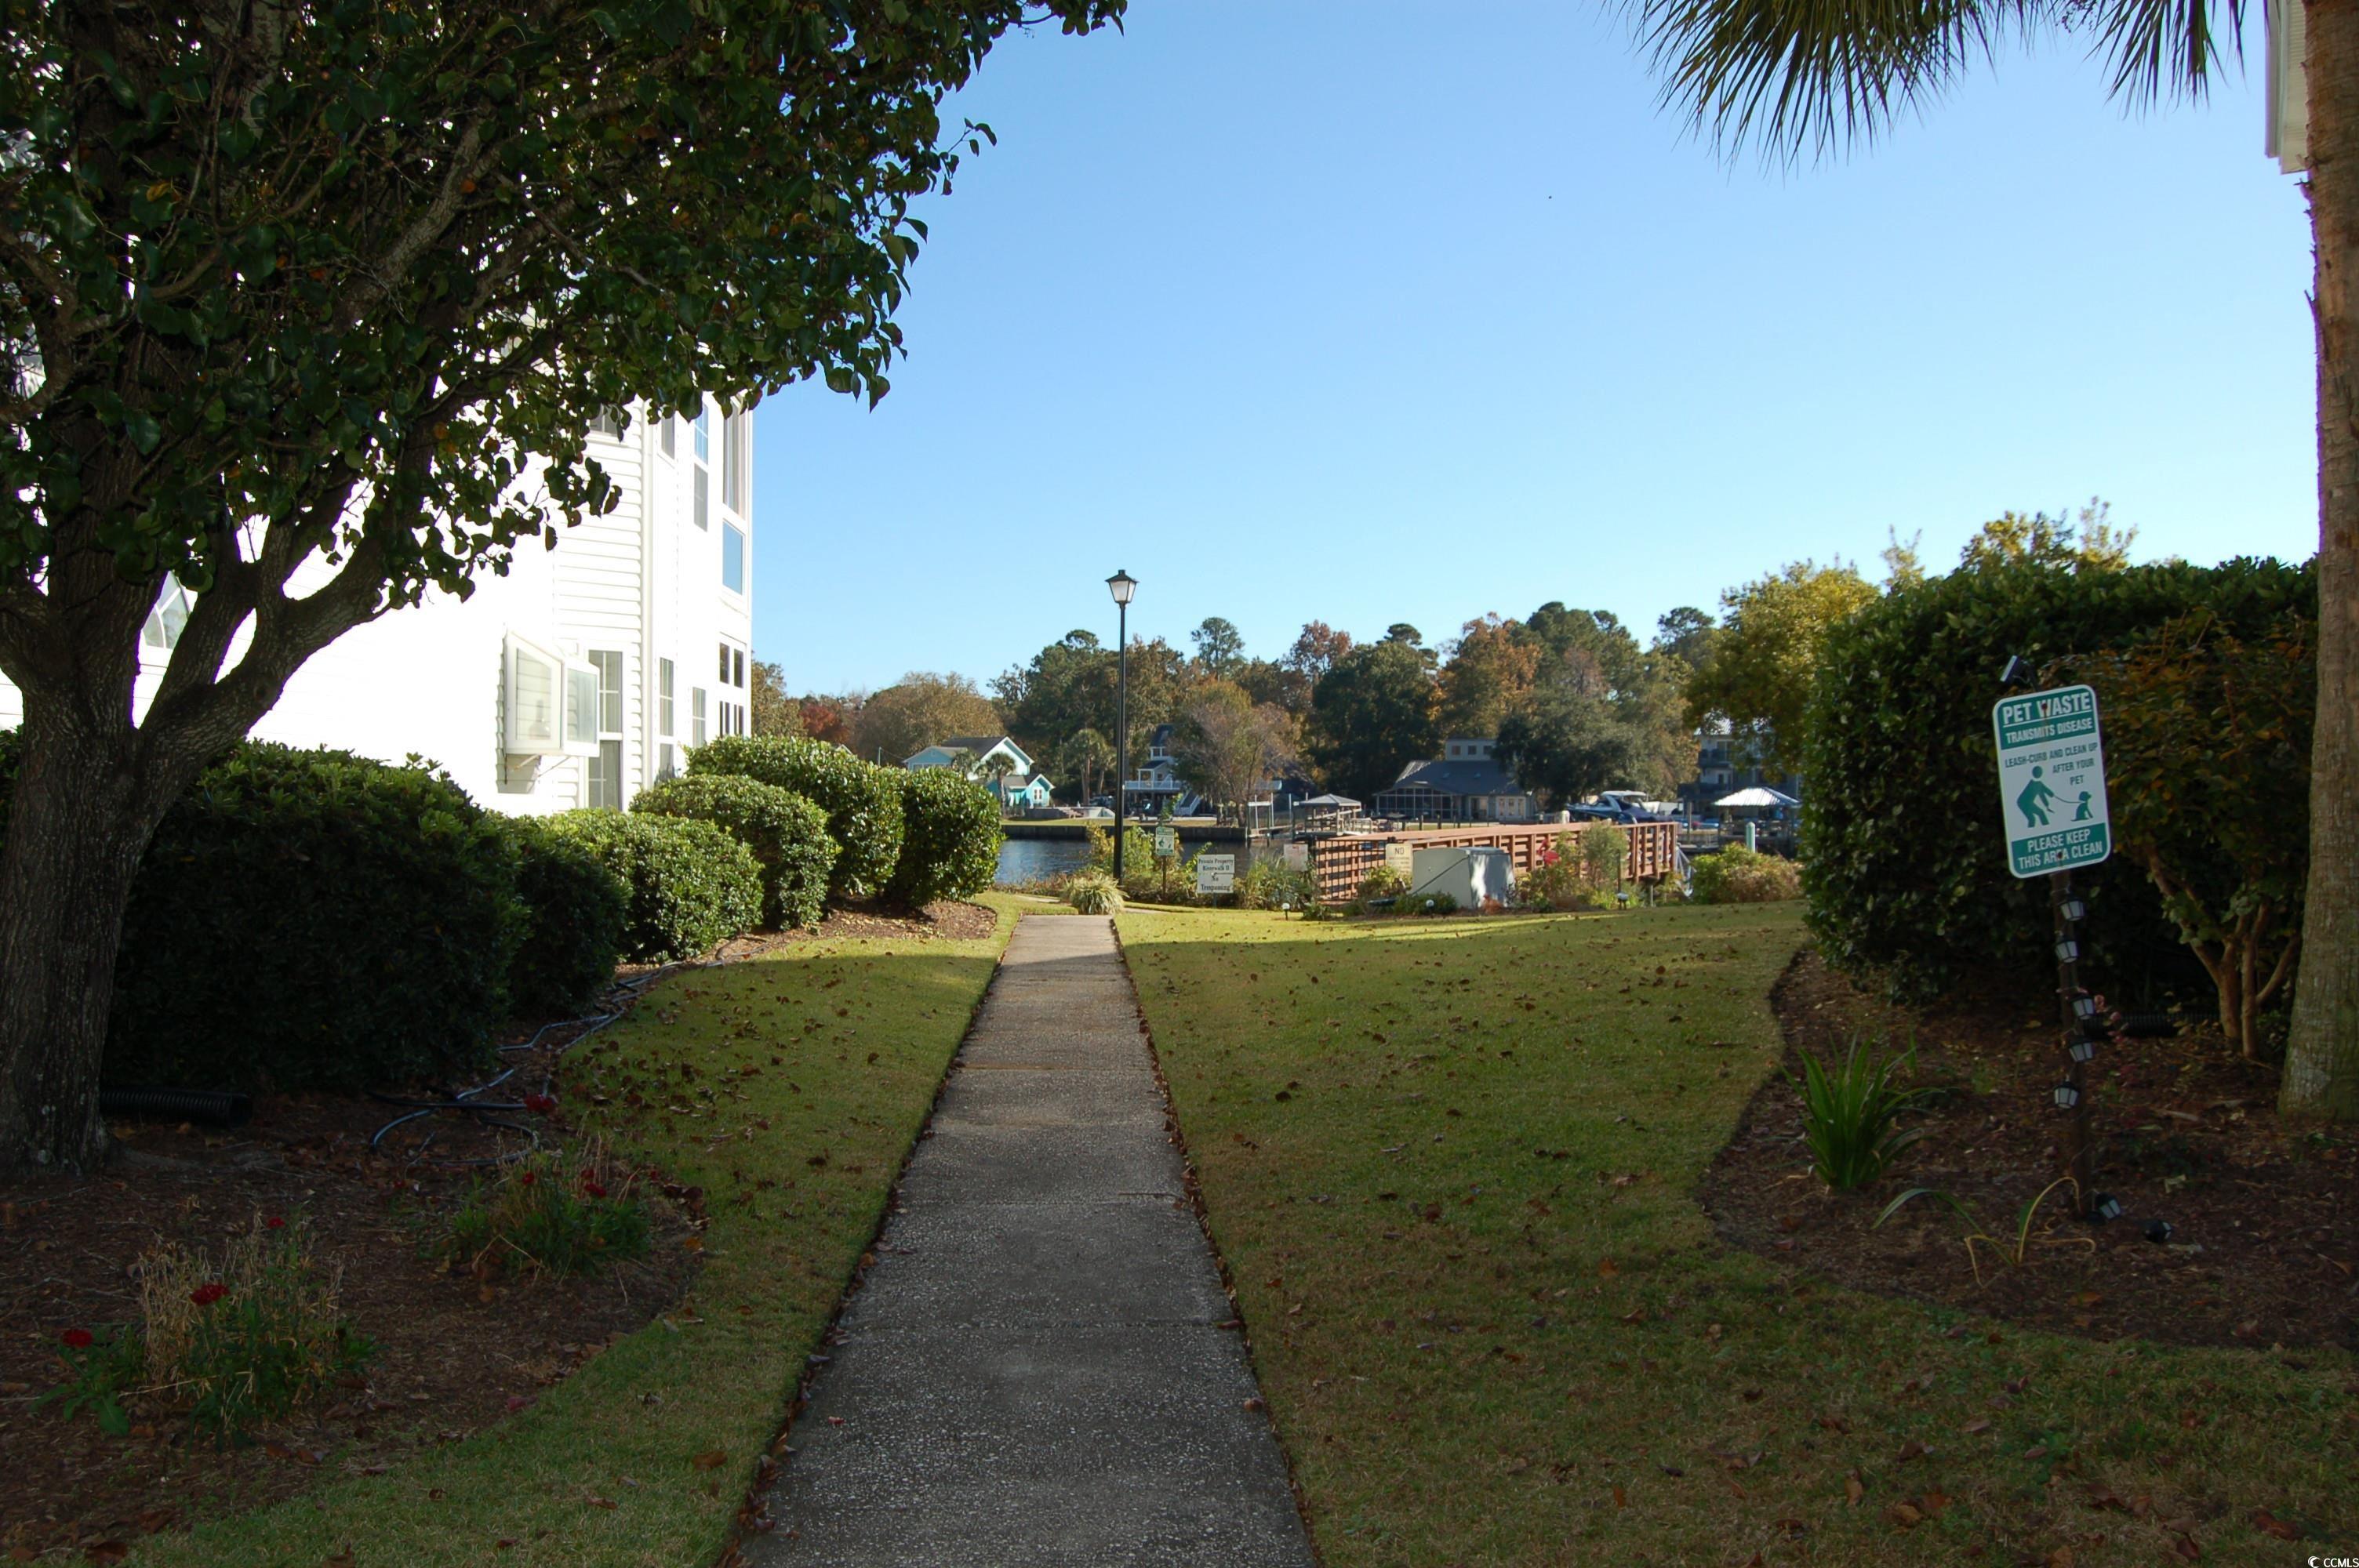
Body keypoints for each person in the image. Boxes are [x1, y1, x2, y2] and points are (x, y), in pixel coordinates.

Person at [2016, 764, 2059, 829]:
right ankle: (2047, 829)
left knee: (2033, 818)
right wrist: (2049, 798)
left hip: (2024, 802)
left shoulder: (2038, 784)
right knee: (2037, 816)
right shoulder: (2035, 784)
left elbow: (2044, 793)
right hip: (2024, 803)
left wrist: (2048, 803)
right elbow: (2043, 794)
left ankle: (2042, 829)